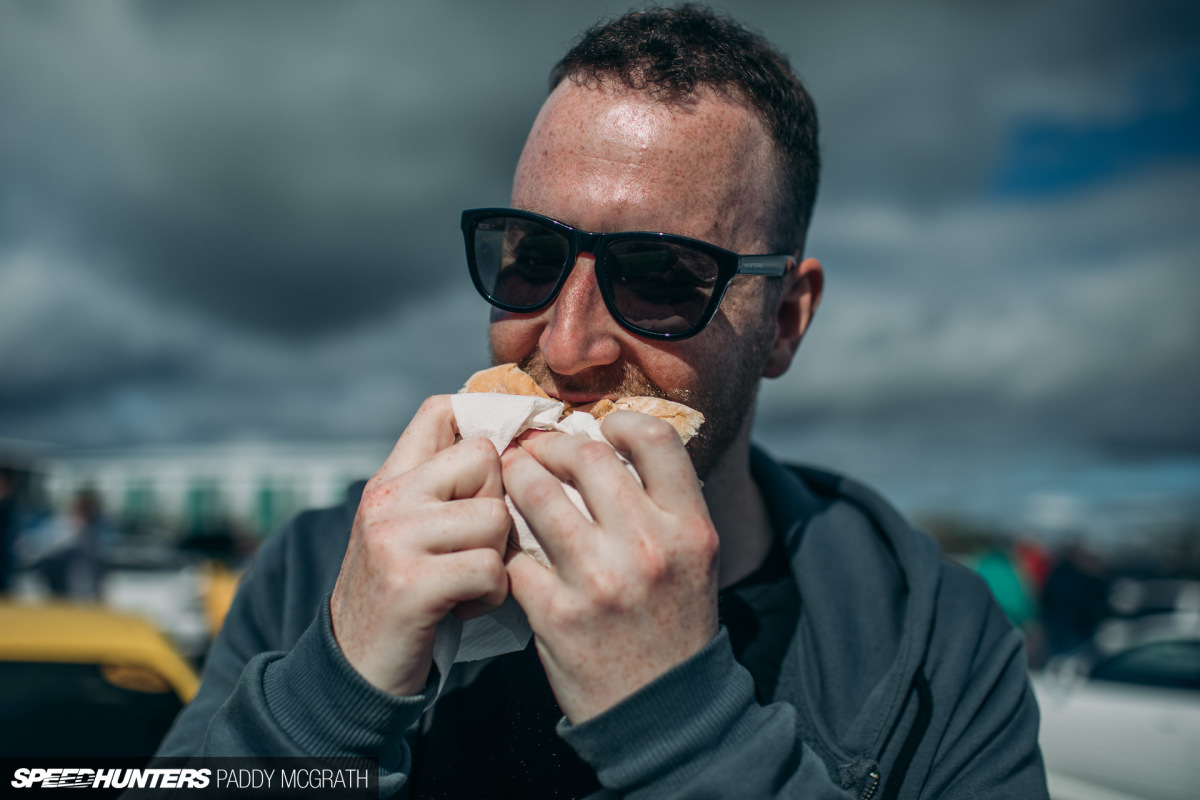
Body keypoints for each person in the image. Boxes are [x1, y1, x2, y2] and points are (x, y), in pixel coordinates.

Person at [158, 6, 1048, 798]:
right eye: (532, 257)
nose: (565, 344)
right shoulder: (318, 569)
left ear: (783, 321)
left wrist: (684, 731)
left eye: (661, 276)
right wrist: (331, 697)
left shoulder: (934, 638)